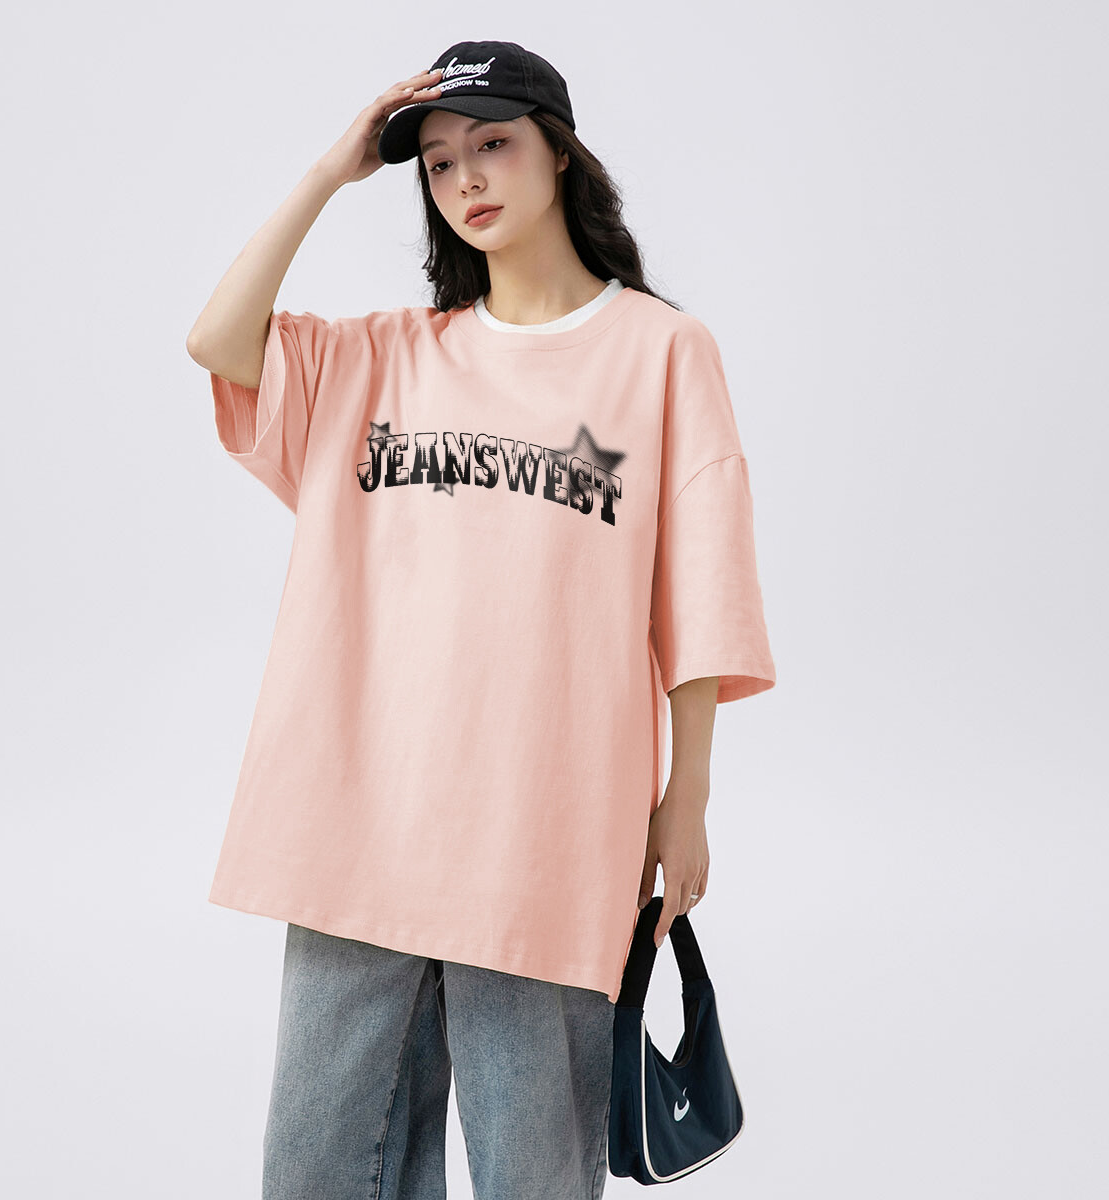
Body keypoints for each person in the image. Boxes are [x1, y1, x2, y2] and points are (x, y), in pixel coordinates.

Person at [186, 39, 776, 1200]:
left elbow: (703, 586)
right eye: (440, 162)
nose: (466, 178)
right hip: (360, 823)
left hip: (545, 832)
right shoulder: (384, 358)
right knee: (313, 1172)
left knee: (535, 1174)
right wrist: (333, 169)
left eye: (494, 144)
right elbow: (218, 342)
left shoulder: (662, 351)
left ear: (560, 154)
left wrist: (688, 795)